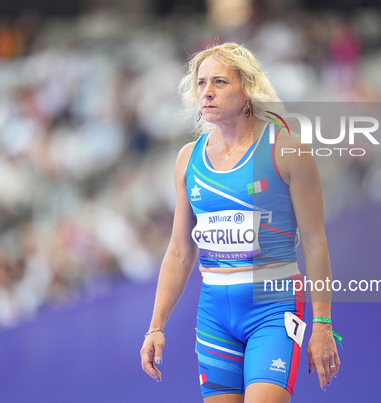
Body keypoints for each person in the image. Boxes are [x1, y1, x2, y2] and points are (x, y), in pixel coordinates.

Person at [140, 42, 340, 402]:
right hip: (215, 315)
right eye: (201, 83)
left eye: (219, 82)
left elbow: (315, 242)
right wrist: (156, 326)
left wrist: (323, 324)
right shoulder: (189, 159)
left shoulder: (287, 149)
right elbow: (180, 252)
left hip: (273, 308)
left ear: (247, 88)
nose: (207, 92)